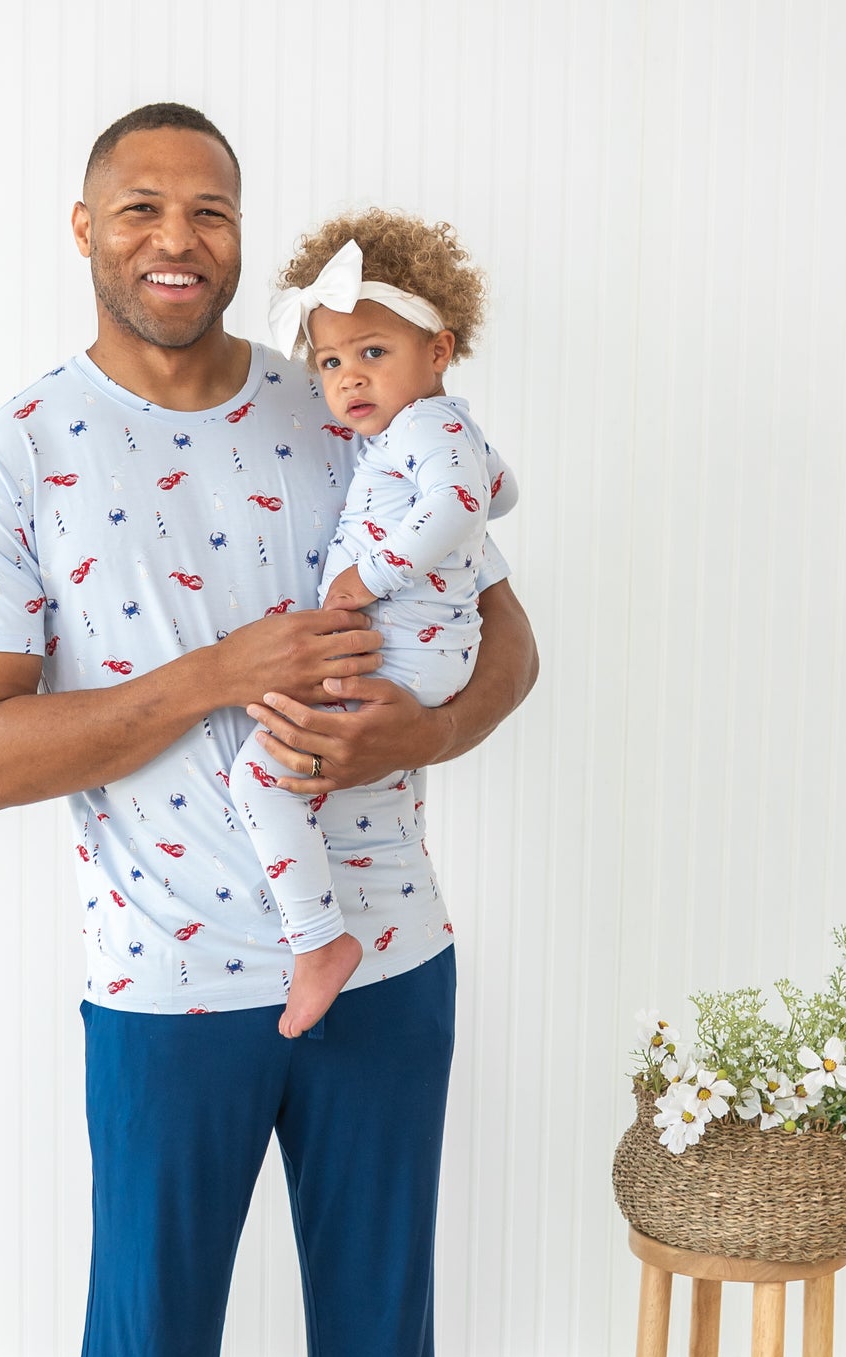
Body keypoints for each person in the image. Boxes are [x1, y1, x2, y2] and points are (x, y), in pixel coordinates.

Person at [0, 102, 539, 1357]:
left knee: (377, 1313)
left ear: (241, 231)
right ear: (85, 229)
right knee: (152, 1320)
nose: (175, 236)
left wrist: (411, 737)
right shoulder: (13, 455)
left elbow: (507, 646)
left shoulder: (349, 394)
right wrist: (220, 672)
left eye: (207, 208)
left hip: (386, 957)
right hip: (165, 977)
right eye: (142, 207)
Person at [234, 215, 519, 1037]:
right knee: (305, 776)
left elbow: (464, 504)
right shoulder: (431, 432)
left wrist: (374, 572)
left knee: (260, 778)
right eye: (330, 361)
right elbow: (499, 491)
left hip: (404, 653)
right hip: (417, 652)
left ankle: (320, 942)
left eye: (373, 353)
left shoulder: (427, 428)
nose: (348, 378)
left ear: (437, 351)